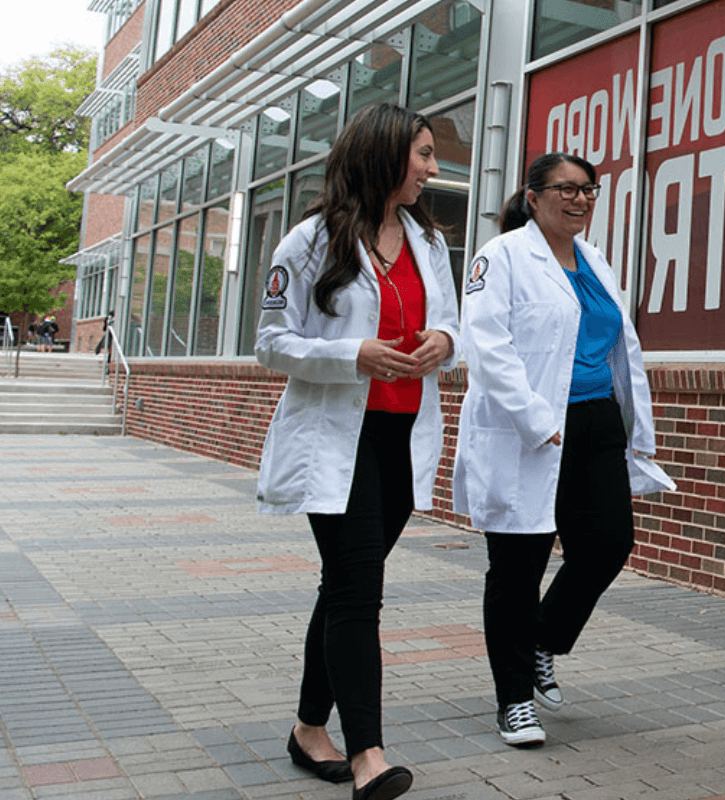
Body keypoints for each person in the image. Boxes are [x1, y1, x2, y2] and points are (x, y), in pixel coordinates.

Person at [254, 102, 457, 800]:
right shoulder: (311, 241)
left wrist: (445, 344)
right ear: (383, 153)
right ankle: (368, 753)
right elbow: (270, 345)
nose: (433, 169)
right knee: (359, 593)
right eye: (424, 154)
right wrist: (353, 354)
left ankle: (310, 728)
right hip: (337, 440)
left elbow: (452, 325)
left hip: (402, 440)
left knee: (342, 587)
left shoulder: (429, 243)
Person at [452, 152, 673, 748]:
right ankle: (514, 700)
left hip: (596, 420)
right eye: (565, 189)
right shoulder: (499, 257)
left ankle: (542, 641)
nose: (579, 200)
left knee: (607, 543)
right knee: (517, 567)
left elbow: (618, 347)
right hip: (529, 426)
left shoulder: (595, 262)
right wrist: (532, 415)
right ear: (533, 196)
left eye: (588, 190)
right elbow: (486, 342)